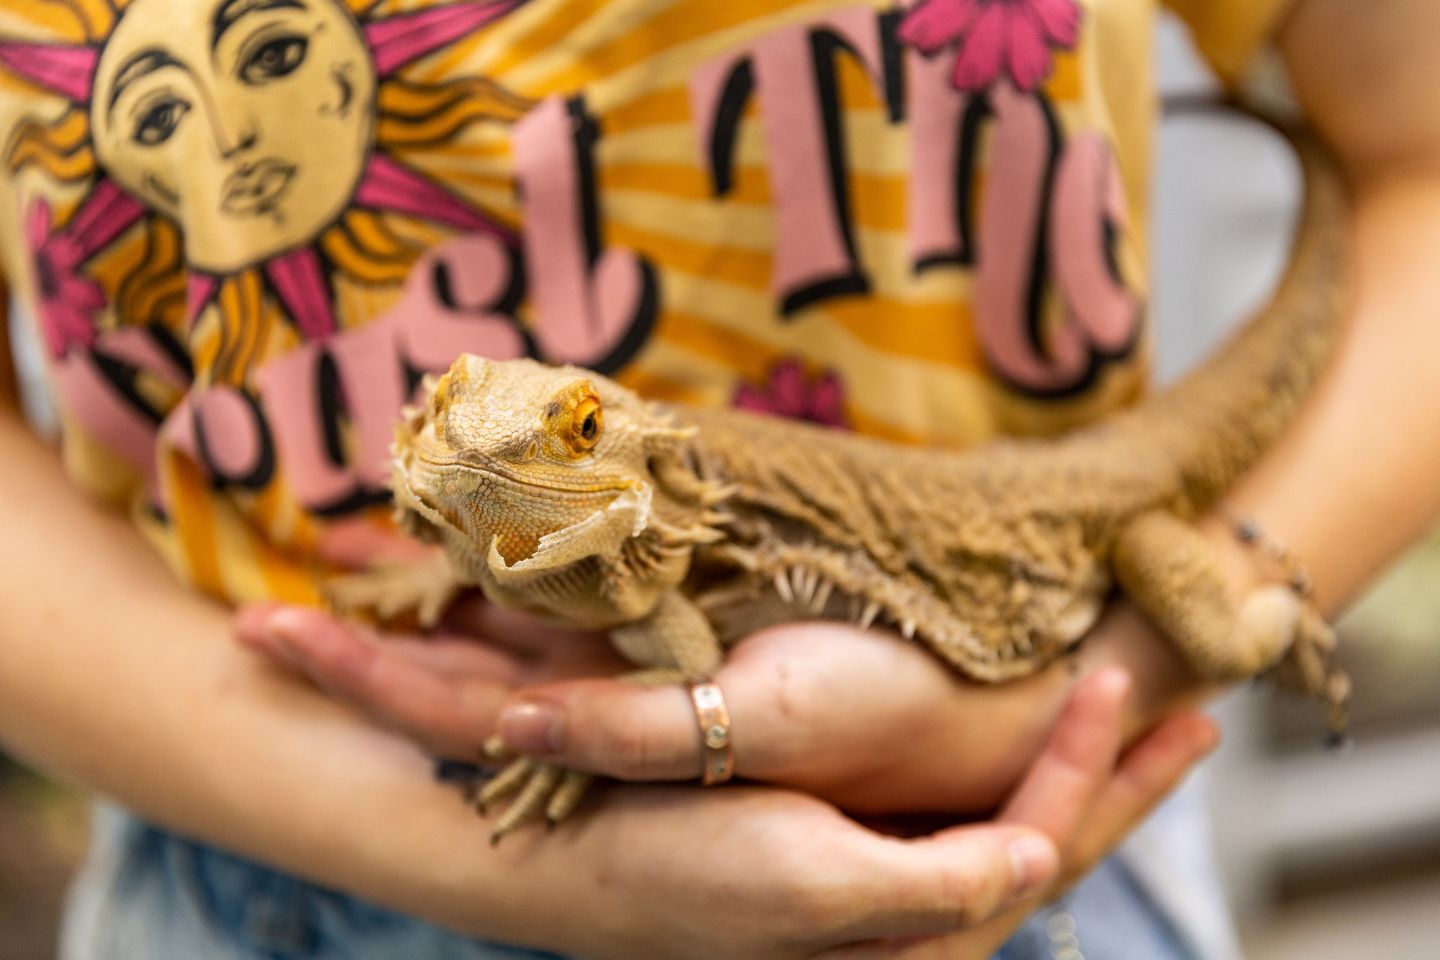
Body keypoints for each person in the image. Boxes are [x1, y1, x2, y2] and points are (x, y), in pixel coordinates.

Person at [0, 0, 1437, 956]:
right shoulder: (538, 503)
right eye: (449, 419)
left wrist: (1153, 643)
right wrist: (475, 852)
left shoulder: (650, 549)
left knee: (1218, 615)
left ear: (617, 458)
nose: (474, 450)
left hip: (1016, 816)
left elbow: (674, 645)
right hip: (251, 872)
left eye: (555, 439)